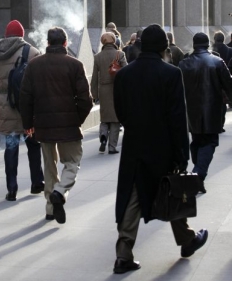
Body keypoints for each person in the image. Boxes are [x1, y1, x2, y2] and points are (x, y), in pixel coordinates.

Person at [112, 24, 208, 274]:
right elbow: (178, 118)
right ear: (164, 47)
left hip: (134, 144)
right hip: (163, 145)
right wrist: (181, 154)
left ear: (141, 45)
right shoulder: (171, 74)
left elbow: (120, 112)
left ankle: (124, 253)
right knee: (171, 192)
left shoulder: (124, 75)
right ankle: (187, 241)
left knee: (133, 198)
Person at [19, 27, 93, 224]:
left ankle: (50, 209)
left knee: (49, 167)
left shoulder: (34, 66)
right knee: (73, 161)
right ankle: (60, 192)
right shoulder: (75, 65)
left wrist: (28, 124)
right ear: (66, 43)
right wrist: (77, 119)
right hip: (69, 125)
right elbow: (86, 99)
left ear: (48, 43)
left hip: (43, 125)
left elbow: (25, 98)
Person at [0, 20, 44, 201]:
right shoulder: (32, 52)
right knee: (33, 145)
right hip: (26, 107)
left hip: (6, 105)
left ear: (6, 34)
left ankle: (11, 189)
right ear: (22, 34)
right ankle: (37, 182)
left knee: (11, 148)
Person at [179, 32, 232, 189]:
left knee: (197, 141)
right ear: (208, 44)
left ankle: (198, 176)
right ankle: (198, 175)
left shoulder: (184, 63)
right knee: (209, 142)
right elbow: (229, 86)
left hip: (191, 112)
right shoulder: (216, 62)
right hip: (211, 110)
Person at [91, 32, 127, 154]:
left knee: (105, 117)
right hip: (117, 90)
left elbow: (95, 77)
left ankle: (103, 136)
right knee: (116, 119)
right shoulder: (120, 54)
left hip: (104, 90)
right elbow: (127, 72)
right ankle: (112, 147)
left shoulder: (97, 57)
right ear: (114, 41)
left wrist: (94, 94)